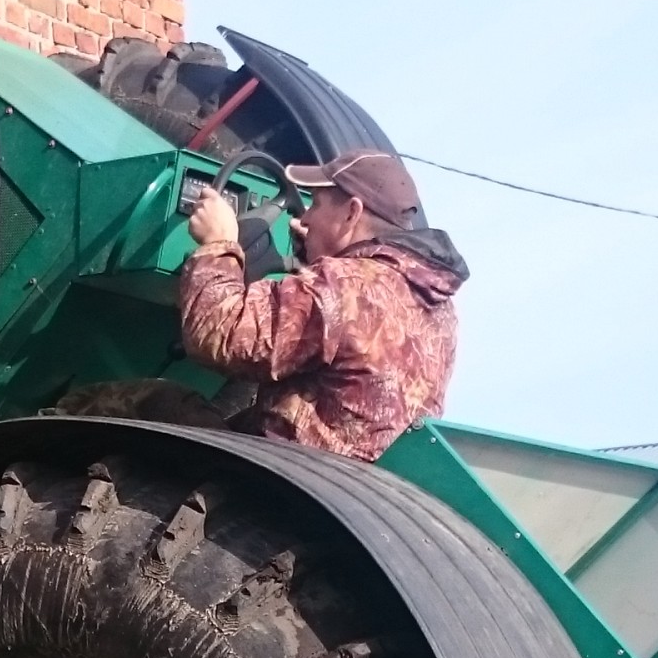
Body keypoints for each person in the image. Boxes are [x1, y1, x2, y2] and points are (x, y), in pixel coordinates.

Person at [178, 147, 469, 463]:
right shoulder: (441, 310)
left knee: (154, 400)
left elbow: (219, 335)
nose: (304, 217)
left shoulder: (341, 284)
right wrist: (312, 259)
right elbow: (346, 334)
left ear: (351, 213)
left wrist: (218, 244)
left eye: (315, 204)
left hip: (280, 473)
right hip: (350, 484)